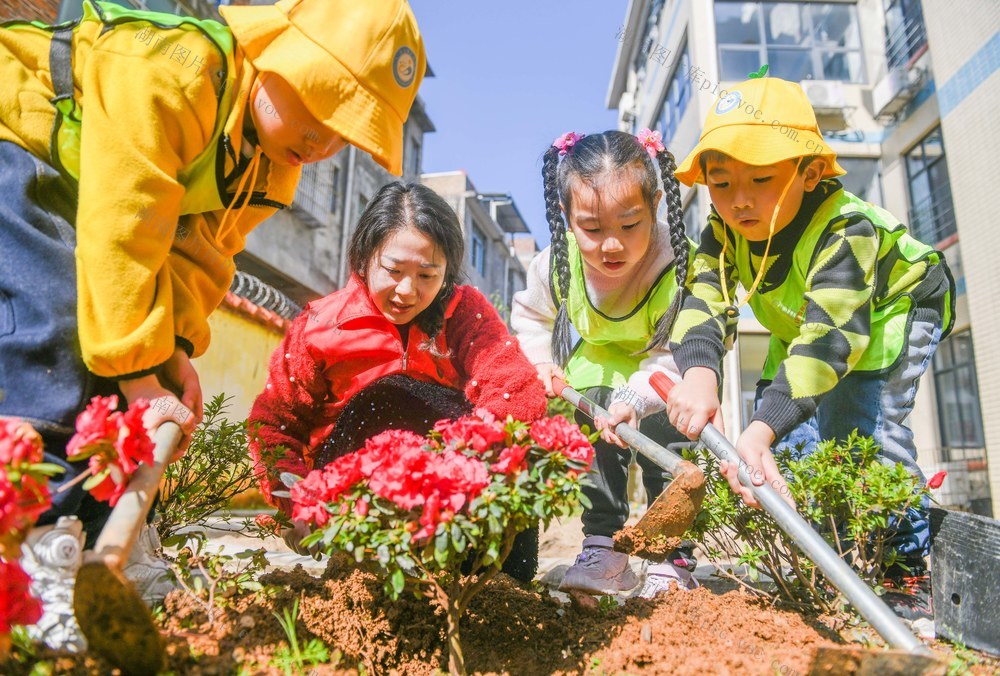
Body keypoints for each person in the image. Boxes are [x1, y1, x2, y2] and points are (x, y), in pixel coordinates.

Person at [0, 0, 426, 648]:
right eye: (317, 105)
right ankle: (33, 562)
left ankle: (98, 549)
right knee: (60, 332)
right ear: (276, 48)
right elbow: (123, 230)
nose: (321, 142)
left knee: (114, 368)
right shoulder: (170, 75)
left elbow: (200, 254)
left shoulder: (269, 166)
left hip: (92, 193)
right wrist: (141, 380)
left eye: (343, 132)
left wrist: (169, 354)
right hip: (24, 146)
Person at [663, 76, 954, 615]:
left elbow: (827, 345)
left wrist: (757, 430)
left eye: (761, 178)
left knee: (861, 428)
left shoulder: (847, 230)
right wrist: (700, 375)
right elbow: (702, 305)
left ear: (811, 171)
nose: (739, 201)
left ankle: (908, 574)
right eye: (721, 184)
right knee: (785, 445)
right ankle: (819, 559)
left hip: (889, 310)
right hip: (802, 325)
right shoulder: (722, 232)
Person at [248, 181, 548, 583]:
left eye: (427, 274)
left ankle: (503, 584)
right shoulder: (320, 326)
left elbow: (515, 389)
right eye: (393, 271)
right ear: (364, 257)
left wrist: (458, 468)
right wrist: (299, 504)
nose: (408, 291)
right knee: (387, 397)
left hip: (453, 488)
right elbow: (274, 424)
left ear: (447, 272)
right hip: (358, 494)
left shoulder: (463, 312)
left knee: (513, 438)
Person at [511, 129, 698, 598]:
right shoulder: (556, 262)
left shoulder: (675, 261)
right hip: (597, 360)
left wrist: (637, 398)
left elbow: (680, 348)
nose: (610, 245)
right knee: (595, 434)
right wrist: (540, 363)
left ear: (656, 204)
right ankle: (602, 545)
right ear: (568, 218)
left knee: (668, 432)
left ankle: (670, 554)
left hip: (665, 363)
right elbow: (532, 314)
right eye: (592, 229)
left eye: (629, 225)